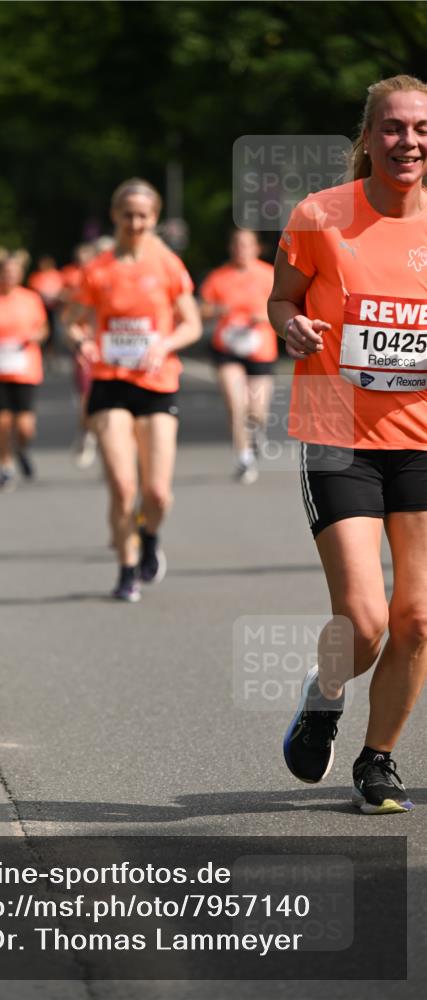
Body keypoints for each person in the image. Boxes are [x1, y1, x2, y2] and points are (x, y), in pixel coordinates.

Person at [269, 75, 427, 814]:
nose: (408, 141)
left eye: (420, 128)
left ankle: (378, 760)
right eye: (392, 128)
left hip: (421, 441)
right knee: (362, 621)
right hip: (337, 434)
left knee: (418, 618)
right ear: (366, 138)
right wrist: (289, 324)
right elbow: (280, 299)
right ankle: (324, 693)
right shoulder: (318, 216)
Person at [66, 178, 202, 601]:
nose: (136, 222)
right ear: (115, 216)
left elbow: (191, 324)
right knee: (124, 486)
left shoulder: (167, 266)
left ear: (155, 217)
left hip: (157, 384)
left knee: (157, 493)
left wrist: (164, 344)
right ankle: (126, 569)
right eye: (128, 214)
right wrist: (81, 340)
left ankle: (150, 537)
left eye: (144, 215)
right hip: (109, 382)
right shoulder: (98, 269)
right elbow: (72, 319)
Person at [200, 229, 277, 484]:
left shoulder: (269, 274)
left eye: (246, 245)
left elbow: (288, 305)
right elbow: (200, 310)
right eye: (236, 244)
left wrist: (264, 317)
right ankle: (244, 457)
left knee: (257, 412)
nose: (240, 249)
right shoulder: (218, 277)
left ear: (257, 248)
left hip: (261, 349)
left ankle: (256, 434)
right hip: (227, 349)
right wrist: (215, 310)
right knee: (236, 405)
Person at [0, 250, 48, 491]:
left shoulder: (31, 299)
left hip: (25, 368)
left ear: (20, 275)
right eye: (4, 273)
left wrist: (32, 337)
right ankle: (5, 468)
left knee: (25, 427)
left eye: (13, 273)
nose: (8, 277)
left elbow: (43, 329)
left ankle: (21, 448)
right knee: (2, 421)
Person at [61, 243, 98, 467]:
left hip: (111, 351)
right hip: (86, 349)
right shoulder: (78, 287)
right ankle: (87, 434)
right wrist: (80, 342)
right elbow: (69, 323)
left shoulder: (111, 280)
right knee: (87, 399)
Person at [28, 255, 64, 364]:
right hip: (40, 307)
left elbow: (61, 289)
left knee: (54, 331)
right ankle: (43, 352)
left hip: (54, 308)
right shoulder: (36, 276)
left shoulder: (56, 275)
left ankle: (52, 352)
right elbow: (33, 291)